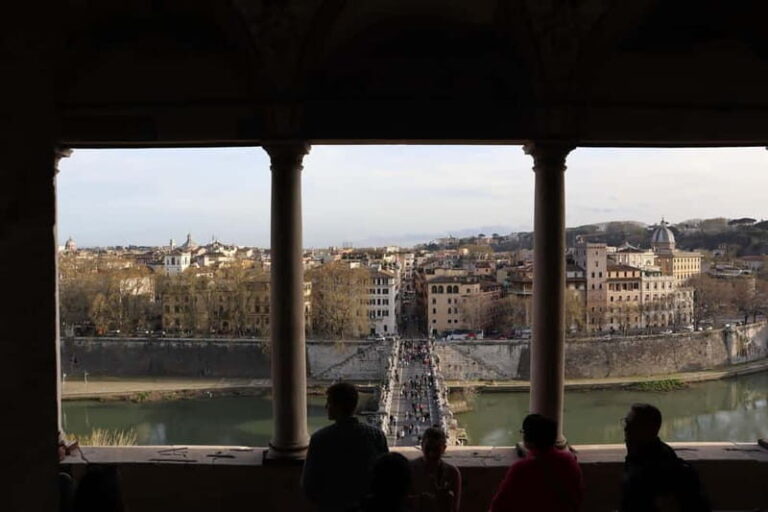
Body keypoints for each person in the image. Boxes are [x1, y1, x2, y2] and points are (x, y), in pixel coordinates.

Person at [302, 382, 389, 512]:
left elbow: (308, 485)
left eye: (329, 403)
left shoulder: (319, 439)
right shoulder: (377, 436)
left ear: (337, 406)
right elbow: (386, 478)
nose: (326, 407)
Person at [621, 403, 710, 512]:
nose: (626, 428)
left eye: (632, 424)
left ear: (648, 430)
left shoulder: (660, 468)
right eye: (626, 422)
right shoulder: (639, 455)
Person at [489, 414, 583, 512]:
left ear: (529, 438)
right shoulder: (569, 461)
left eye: (523, 432)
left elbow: (499, 505)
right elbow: (577, 496)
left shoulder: (522, 469)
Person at [410, 427, 461, 512]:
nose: (431, 454)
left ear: (444, 448)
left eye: (436, 449)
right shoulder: (409, 469)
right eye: (428, 449)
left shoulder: (453, 473)